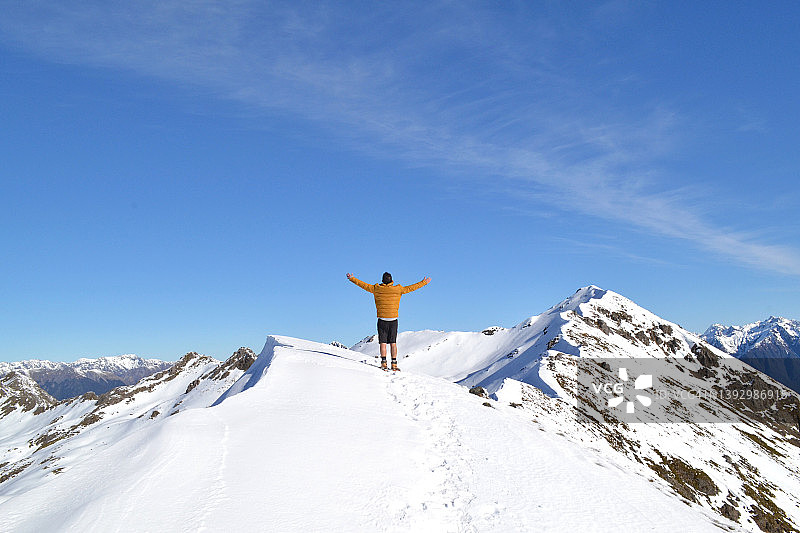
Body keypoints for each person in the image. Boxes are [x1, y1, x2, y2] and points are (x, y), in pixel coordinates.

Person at [346, 271, 431, 371]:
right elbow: (411, 288)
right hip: (393, 319)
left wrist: (352, 278)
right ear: (392, 281)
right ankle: (394, 364)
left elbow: (363, 285)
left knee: (383, 343)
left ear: (382, 280)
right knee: (393, 343)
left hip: (382, 319)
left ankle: (384, 363)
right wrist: (424, 282)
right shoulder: (398, 289)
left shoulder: (376, 289)